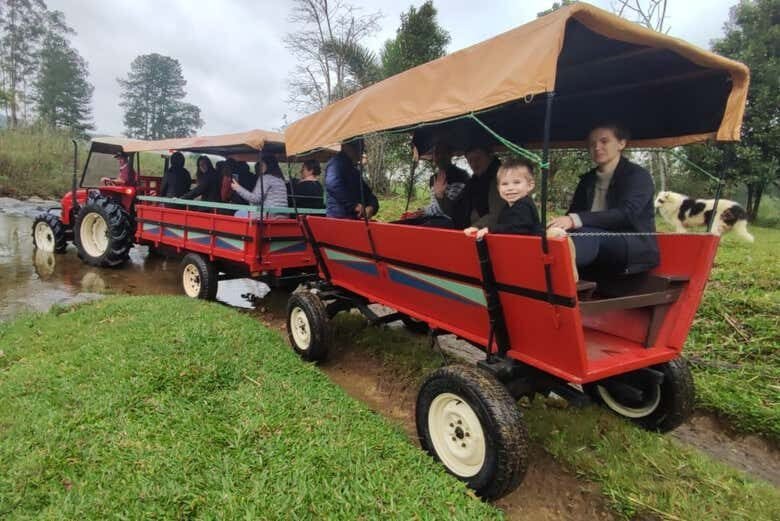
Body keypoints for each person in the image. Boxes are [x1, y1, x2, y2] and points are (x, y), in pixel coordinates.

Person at [547, 123, 659, 275]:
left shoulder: (638, 176)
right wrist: (559, 224)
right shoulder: (587, 180)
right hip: (591, 242)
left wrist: (574, 220)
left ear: (621, 143)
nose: (597, 147)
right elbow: (574, 213)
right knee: (553, 233)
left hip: (631, 245)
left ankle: (563, 270)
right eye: (592, 144)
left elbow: (626, 214)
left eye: (604, 141)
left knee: (586, 234)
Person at [464, 157, 541, 240]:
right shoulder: (509, 206)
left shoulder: (523, 206)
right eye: (505, 184)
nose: (510, 188)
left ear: (530, 185)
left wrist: (490, 229)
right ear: (498, 188)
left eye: (516, 182)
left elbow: (519, 228)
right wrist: (479, 228)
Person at [413, 142, 470, 228]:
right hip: (434, 219)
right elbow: (434, 205)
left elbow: (450, 211)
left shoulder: (460, 176)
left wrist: (426, 210)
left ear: (450, 155)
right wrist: (422, 210)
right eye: (437, 153)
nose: (440, 156)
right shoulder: (433, 178)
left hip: (453, 222)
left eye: (444, 153)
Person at [324, 140, 379, 219]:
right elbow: (333, 184)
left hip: (353, 219)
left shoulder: (354, 171)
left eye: (361, 150)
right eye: (357, 149)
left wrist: (372, 207)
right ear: (346, 147)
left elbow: (367, 193)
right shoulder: (336, 163)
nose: (359, 153)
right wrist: (354, 205)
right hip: (339, 219)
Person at [231, 153, 289, 219]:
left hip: (269, 215)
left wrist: (238, 188)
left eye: (262, 164)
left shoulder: (265, 178)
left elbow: (255, 199)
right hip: (283, 216)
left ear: (267, 165)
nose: (260, 167)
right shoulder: (281, 180)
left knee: (238, 213)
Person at [465, 145, 502, 228]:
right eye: (470, 161)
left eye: (478, 159)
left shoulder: (499, 179)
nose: (474, 164)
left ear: (490, 157)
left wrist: (474, 227)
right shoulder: (473, 182)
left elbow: (496, 215)